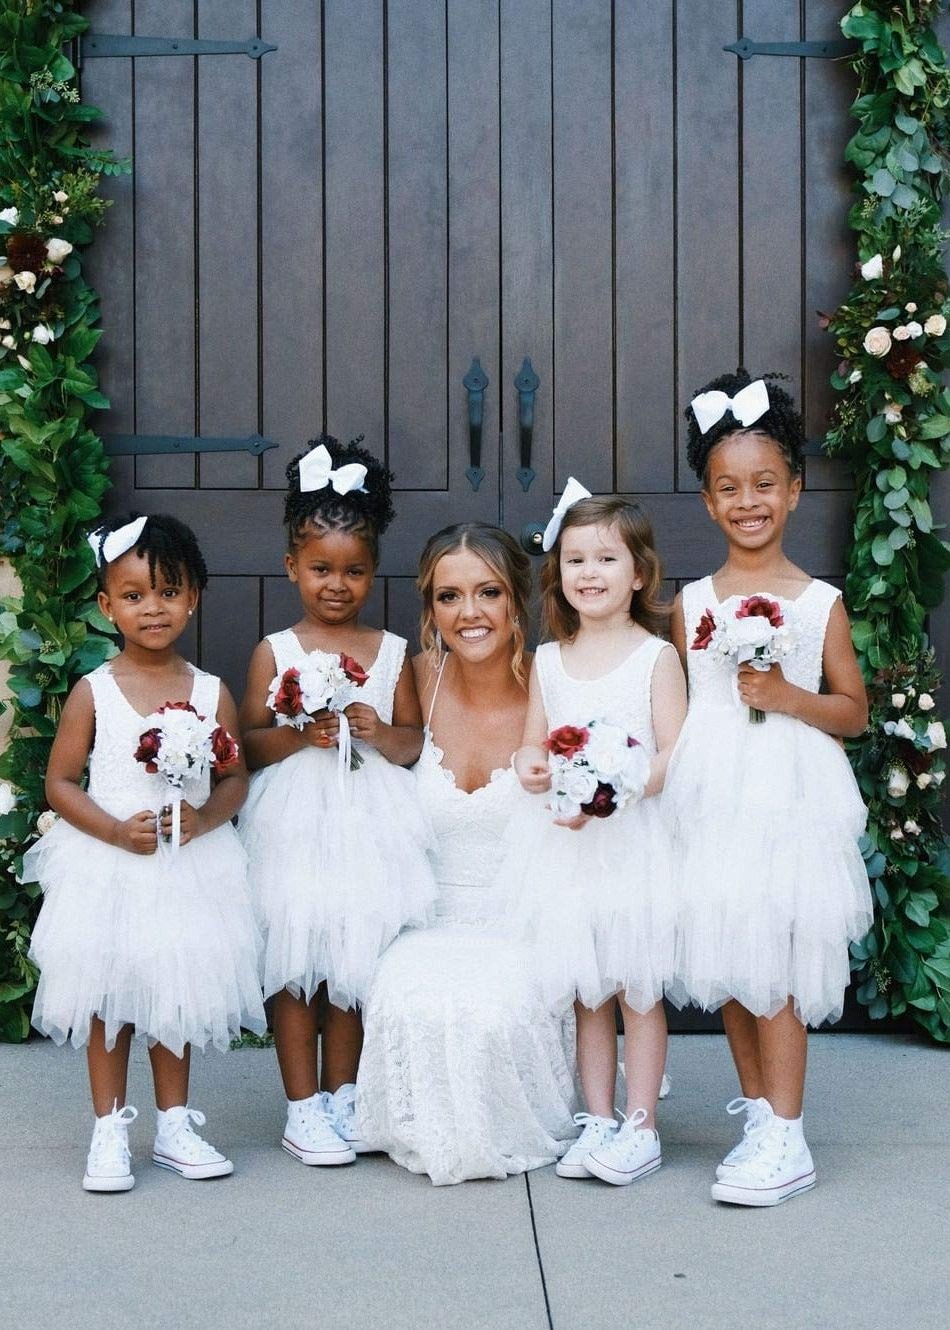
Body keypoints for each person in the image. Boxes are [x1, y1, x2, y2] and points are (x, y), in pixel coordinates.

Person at [665, 369, 873, 1206]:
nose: (747, 501)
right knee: (727, 952)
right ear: (710, 504)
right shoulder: (691, 603)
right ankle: (756, 1111)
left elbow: (852, 712)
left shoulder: (819, 603)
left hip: (788, 797)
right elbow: (683, 708)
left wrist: (789, 699)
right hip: (713, 793)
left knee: (777, 956)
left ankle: (788, 1135)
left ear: (792, 491)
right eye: (728, 488)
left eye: (763, 484)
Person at [25, 513, 265, 1192]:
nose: (151, 608)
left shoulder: (209, 691)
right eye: (133, 595)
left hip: (187, 868)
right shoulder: (94, 691)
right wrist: (110, 831)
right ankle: (109, 1130)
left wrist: (206, 818)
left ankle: (175, 1123)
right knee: (108, 999)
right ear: (107, 606)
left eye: (167, 592)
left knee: (177, 993)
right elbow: (61, 781)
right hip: (111, 866)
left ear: (193, 597)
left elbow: (235, 778)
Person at [356, 523, 577, 1185]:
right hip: (432, 918)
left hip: (524, 923)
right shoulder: (414, 682)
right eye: (449, 597)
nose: (470, 613)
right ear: (430, 610)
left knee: (488, 1015)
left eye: (488, 592)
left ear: (517, 601)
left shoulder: (556, 680)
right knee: (407, 1000)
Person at [238, 434, 436, 1168]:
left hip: (369, 825)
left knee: (352, 961)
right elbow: (248, 744)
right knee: (296, 962)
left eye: (352, 571)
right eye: (320, 568)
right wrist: (301, 735)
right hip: (294, 824)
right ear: (293, 566)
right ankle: (301, 1106)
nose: (336, 584)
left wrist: (379, 730)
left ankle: (345, 1093)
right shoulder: (275, 650)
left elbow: (415, 743)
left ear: (372, 572)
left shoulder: (389, 652)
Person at [500, 487, 687, 1187]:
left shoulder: (655, 658)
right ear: (558, 574)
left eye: (607, 558)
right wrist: (531, 767)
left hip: (632, 844)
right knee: (589, 991)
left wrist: (618, 788)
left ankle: (641, 1125)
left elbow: (672, 755)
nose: (589, 572)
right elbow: (530, 745)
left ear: (639, 573)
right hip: (568, 849)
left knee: (637, 987)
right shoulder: (550, 659)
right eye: (575, 558)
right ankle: (599, 1116)